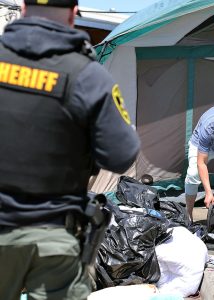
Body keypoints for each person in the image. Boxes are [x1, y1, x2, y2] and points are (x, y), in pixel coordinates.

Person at [0, 1, 140, 299]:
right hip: (54, 236)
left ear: (23, 8)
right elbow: (121, 154)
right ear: (74, 13)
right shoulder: (88, 75)